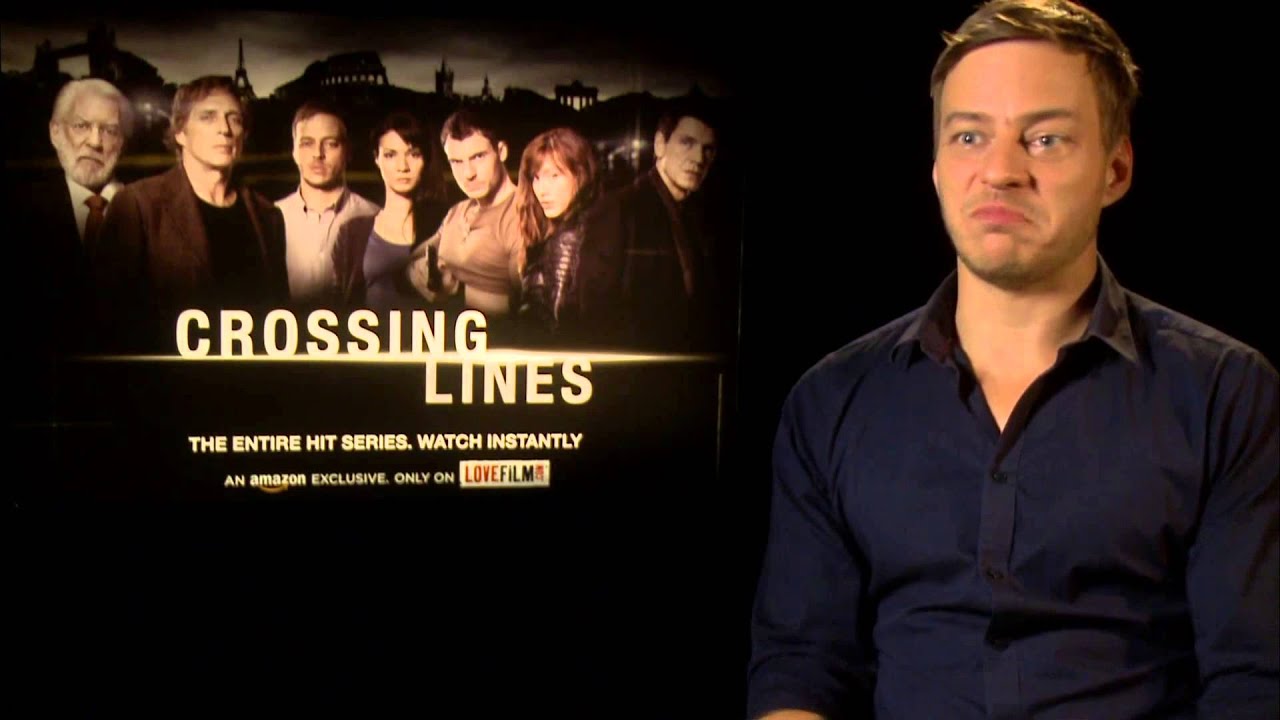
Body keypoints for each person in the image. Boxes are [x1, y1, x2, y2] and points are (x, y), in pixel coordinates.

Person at [747, 2, 1279, 718]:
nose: (999, 172)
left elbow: (1253, 680)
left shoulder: (1226, 393)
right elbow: (800, 669)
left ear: (1116, 169)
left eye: (1046, 139)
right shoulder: (832, 401)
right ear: (937, 168)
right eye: (969, 136)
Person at [92, 75, 287, 350]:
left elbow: (279, 321)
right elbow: (106, 321)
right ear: (180, 132)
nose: (224, 129)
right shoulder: (138, 205)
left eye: (234, 119)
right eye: (208, 117)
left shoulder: (268, 216)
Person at [575, 95, 723, 351]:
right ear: (659, 145)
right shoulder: (619, 208)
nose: (699, 158)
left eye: (708, 149)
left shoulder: (700, 216)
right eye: (687, 142)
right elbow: (593, 313)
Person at [406, 108, 521, 318]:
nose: (468, 174)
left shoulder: (522, 214)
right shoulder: (457, 212)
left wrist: (457, 289)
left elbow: (530, 311)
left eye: (478, 157)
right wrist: (418, 274)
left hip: (493, 334)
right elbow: (413, 260)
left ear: (501, 151)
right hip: (449, 331)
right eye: (456, 162)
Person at [275, 100, 380, 307]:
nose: (318, 154)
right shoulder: (271, 217)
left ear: (348, 152)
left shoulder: (376, 219)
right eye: (307, 143)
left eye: (331, 143)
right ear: (294, 151)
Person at [514, 127, 601, 339]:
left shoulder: (568, 238)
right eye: (536, 177)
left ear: (580, 175)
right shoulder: (565, 228)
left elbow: (559, 327)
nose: (543, 190)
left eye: (554, 175)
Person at [359, 111, 448, 312]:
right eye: (390, 155)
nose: (403, 166)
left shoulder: (445, 224)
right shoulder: (355, 230)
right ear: (376, 158)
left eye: (413, 154)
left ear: (425, 159)